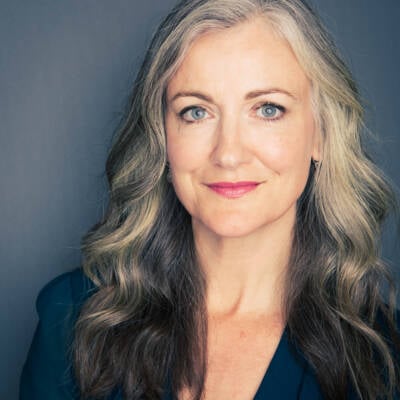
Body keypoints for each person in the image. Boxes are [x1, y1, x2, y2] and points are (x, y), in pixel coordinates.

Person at [20, 0, 400, 399]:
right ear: (162, 136)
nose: (229, 154)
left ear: (320, 134)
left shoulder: (384, 359)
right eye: (196, 112)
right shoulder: (73, 320)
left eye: (268, 109)